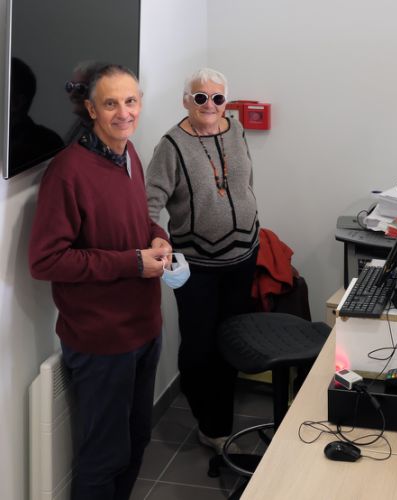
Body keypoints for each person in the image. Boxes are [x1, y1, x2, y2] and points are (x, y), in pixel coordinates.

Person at [29, 64, 172, 500]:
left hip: (144, 327)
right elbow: (47, 260)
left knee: (136, 441)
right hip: (102, 341)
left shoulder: (129, 153)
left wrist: (157, 236)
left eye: (130, 101)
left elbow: (137, 220)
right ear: (91, 110)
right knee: (103, 457)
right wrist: (132, 262)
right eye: (111, 104)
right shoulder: (67, 171)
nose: (123, 113)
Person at [146, 67, 260, 453]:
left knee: (231, 340)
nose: (209, 105)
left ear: (226, 103)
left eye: (217, 98)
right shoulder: (172, 145)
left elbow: (244, 183)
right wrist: (155, 241)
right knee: (199, 346)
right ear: (186, 101)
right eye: (200, 97)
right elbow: (149, 203)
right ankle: (208, 422)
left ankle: (219, 422)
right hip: (198, 264)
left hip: (243, 255)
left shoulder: (236, 129)